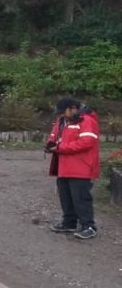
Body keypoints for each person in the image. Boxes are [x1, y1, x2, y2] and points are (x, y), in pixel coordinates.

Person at [46, 97, 100, 240]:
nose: (61, 115)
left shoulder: (87, 121)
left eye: (63, 112)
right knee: (66, 197)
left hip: (81, 167)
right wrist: (50, 143)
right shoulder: (63, 121)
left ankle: (89, 226)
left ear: (72, 109)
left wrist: (60, 148)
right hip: (64, 166)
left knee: (81, 199)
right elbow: (54, 134)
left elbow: (86, 143)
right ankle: (69, 222)